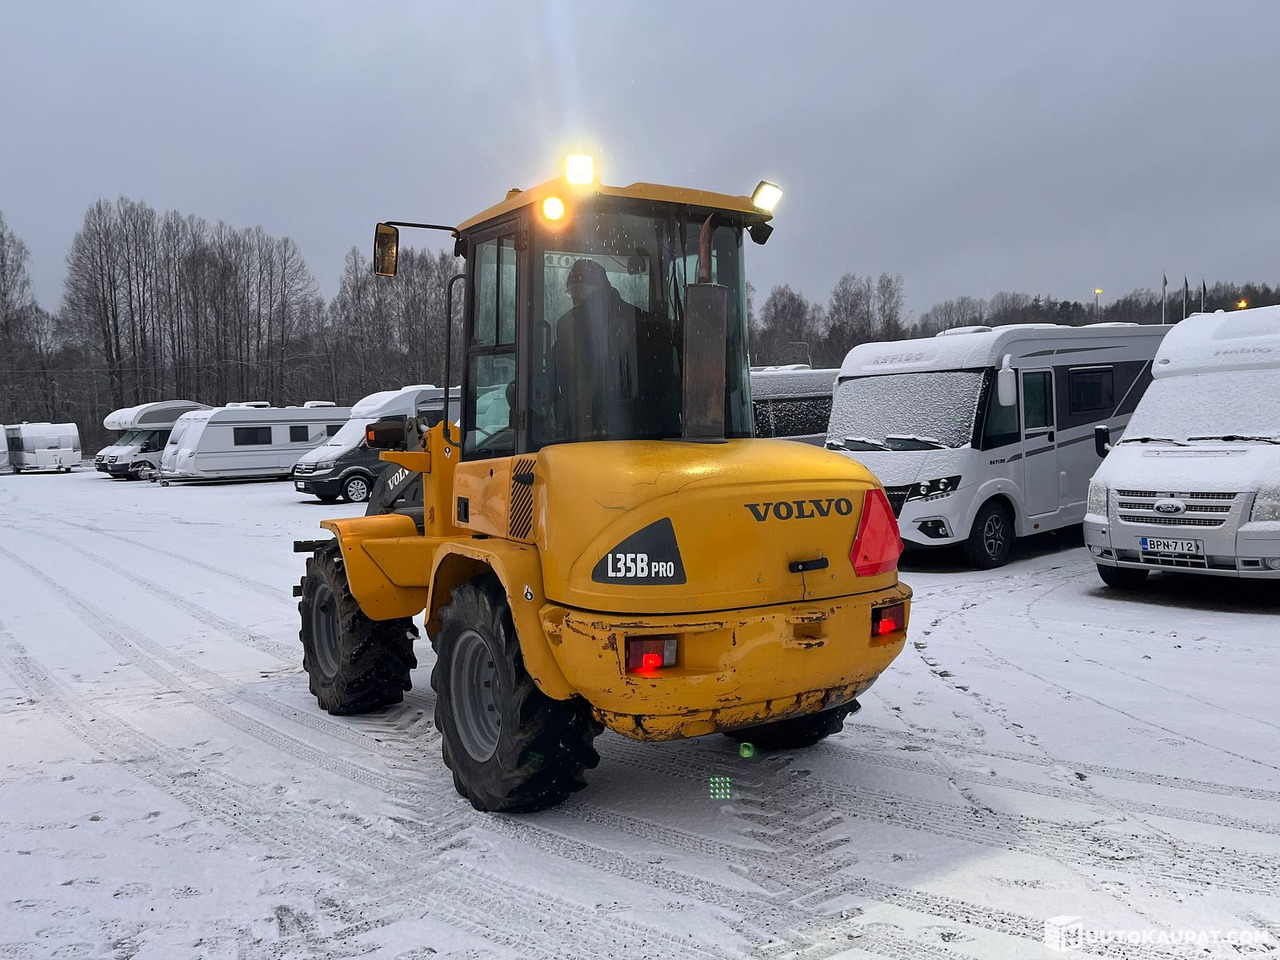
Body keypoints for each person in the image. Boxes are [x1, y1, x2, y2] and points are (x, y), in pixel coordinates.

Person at [551, 259, 640, 438]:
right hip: (596, 426)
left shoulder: (631, 321)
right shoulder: (635, 317)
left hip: (612, 425)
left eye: (579, 290)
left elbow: (562, 373)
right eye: (572, 292)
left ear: (596, 289)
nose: (575, 297)